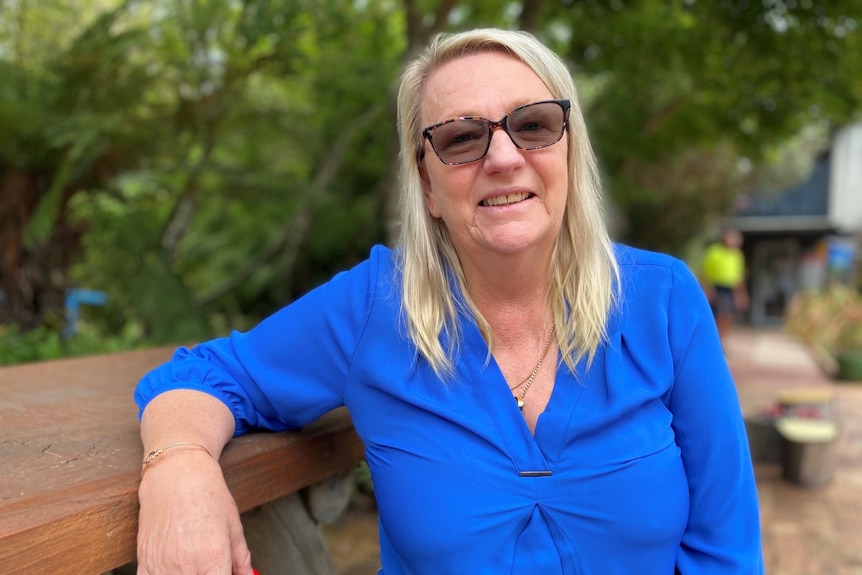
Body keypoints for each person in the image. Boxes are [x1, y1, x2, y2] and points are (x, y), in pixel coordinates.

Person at [134, 28, 764, 574]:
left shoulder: (664, 299)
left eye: (534, 125)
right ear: (427, 184)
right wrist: (179, 469)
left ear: (568, 148)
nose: (503, 157)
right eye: (462, 138)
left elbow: (727, 550)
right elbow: (204, 377)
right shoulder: (374, 307)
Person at [701, 227, 750, 341]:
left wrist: (742, 294)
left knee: (727, 316)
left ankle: (721, 340)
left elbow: (739, 276)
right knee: (717, 315)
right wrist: (708, 289)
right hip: (716, 287)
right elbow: (704, 272)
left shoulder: (737, 255)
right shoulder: (714, 251)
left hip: (730, 289)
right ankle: (714, 340)